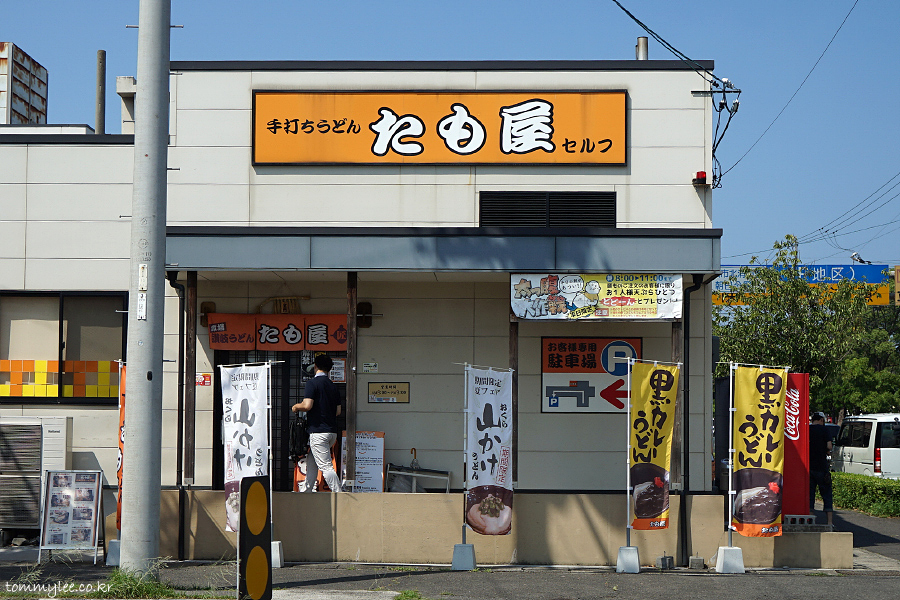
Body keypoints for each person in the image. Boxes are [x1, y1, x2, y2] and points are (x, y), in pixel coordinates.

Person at [292, 355, 343, 492]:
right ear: (329, 369)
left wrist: (296, 407)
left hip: (318, 431)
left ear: (315, 366)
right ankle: (308, 490)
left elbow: (307, 405)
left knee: (326, 466)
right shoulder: (333, 386)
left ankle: (339, 494)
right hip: (331, 432)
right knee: (312, 460)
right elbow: (338, 411)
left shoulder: (312, 383)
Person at [809, 411, 834, 526]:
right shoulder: (825, 430)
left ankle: (810, 522)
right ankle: (829, 522)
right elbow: (829, 446)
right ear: (822, 420)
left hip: (809, 467)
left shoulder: (807, 430)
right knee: (827, 494)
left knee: (810, 495)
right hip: (822, 467)